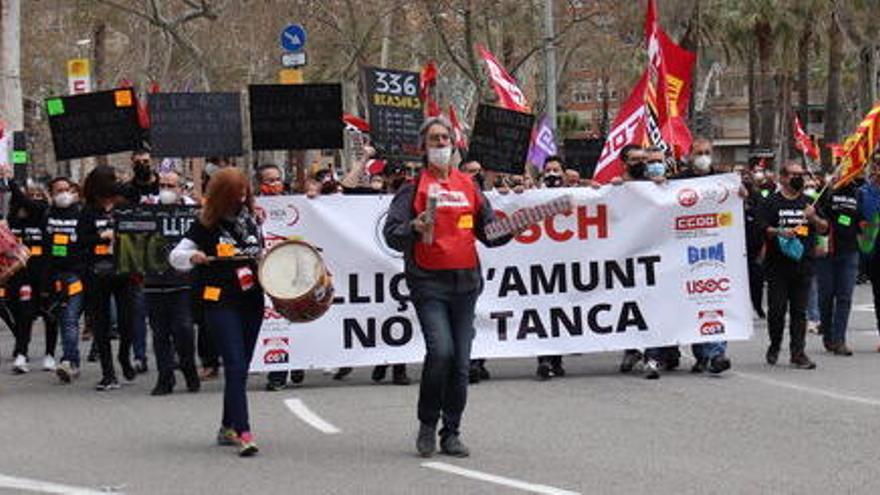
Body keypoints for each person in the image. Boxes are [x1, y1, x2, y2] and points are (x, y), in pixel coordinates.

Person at [384, 116, 513, 458]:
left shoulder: (470, 186)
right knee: (440, 352)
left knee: (460, 362)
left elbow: (489, 234)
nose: (440, 144)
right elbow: (391, 236)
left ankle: (451, 431)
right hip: (428, 283)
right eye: (434, 140)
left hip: (466, 284)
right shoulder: (411, 189)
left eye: (445, 139)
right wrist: (412, 226)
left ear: (454, 145)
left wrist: (513, 226)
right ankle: (427, 424)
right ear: (423, 148)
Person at [170, 167, 264, 457]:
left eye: (244, 190)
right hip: (220, 300)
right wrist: (193, 256)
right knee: (234, 365)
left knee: (241, 368)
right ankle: (244, 431)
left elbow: (259, 253)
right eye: (235, 192)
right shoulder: (205, 224)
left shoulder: (251, 220)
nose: (241, 196)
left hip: (251, 298)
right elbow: (175, 256)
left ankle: (226, 426)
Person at [760, 161, 828, 369]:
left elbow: (825, 228)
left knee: (800, 311)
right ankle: (775, 344)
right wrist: (779, 232)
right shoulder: (771, 202)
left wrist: (813, 217)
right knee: (777, 310)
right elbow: (761, 227)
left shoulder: (810, 202)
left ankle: (798, 353)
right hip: (777, 266)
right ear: (782, 178)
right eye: (793, 175)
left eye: (801, 174)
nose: (798, 178)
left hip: (803, 265)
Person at [675, 138, 732, 374]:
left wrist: (743, 193)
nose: (704, 156)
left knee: (715, 300)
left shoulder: (724, 181)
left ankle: (717, 353)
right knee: (693, 304)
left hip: (716, 253)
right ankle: (701, 354)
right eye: (699, 153)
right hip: (684, 252)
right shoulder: (677, 182)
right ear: (689, 155)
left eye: (708, 152)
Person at [78, 166, 136, 390]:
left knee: (127, 320)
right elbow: (81, 240)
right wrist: (101, 238)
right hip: (97, 272)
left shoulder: (124, 206)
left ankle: (124, 356)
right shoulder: (89, 211)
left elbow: (134, 198)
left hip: (124, 269)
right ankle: (108, 372)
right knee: (101, 322)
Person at [145, 171, 200, 395]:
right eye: (162, 184)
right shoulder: (147, 210)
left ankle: (189, 369)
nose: (166, 188)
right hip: (154, 281)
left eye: (171, 185)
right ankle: (164, 378)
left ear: (181, 188)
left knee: (184, 328)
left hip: (183, 282)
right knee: (159, 333)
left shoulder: (193, 212)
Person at [3, 176, 55, 373]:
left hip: (44, 273)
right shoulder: (14, 219)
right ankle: (21, 353)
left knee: (49, 314)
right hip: (20, 275)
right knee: (24, 314)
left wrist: (11, 181)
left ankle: (49, 354)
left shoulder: (43, 214)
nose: (33, 199)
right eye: (30, 195)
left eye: (38, 195)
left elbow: (30, 204)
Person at [44, 177, 85, 383]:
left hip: (76, 275)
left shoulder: (81, 214)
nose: (63, 193)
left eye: (66, 189)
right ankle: (72, 358)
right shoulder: (47, 215)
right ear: (51, 194)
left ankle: (69, 361)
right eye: (58, 190)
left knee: (69, 318)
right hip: (54, 276)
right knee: (63, 319)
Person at [814, 175, 861, 355]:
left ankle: (839, 339)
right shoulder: (826, 191)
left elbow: (862, 219)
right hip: (827, 252)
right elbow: (817, 216)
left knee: (845, 297)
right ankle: (828, 334)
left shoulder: (858, 193)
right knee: (826, 296)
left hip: (850, 252)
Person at [533, 155, 568, 380]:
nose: (552, 174)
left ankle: (557, 360)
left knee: (563, 313)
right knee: (542, 312)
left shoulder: (577, 196)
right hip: (541, 264)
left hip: (566, 265)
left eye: (556, 170)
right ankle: (544, 360)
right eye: (548, 170)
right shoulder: (533, 197)